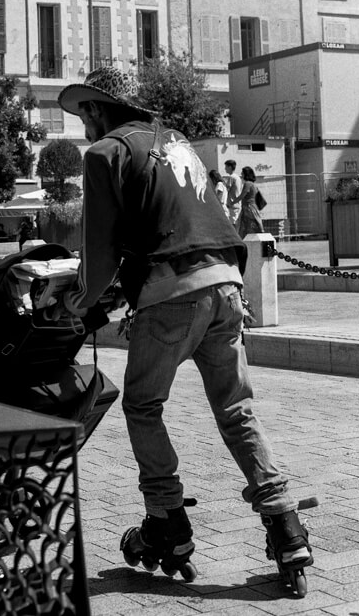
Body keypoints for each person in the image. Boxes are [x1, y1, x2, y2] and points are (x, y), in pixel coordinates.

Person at [57, 66, 313, 579]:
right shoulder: (175, 141)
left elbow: (99, 249)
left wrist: (78, 300)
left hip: (172, 291)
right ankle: (286, 528)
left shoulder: (105, 153)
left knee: (143, 405)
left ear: (96, 109)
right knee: (236, 408)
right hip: (226, 285)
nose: (81, 122)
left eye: (83, 110)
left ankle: (166, 521)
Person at [233, 166, 265, 239]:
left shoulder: (247, 184)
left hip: (248, 208)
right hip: (253, 207)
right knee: (253, 224)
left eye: (242, 173)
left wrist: (232, 203)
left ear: (246, 174)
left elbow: (242, 196)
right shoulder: (253, 184)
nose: (241, 175)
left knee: (245, 226)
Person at [224, 159, 242, 226]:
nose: (225, 168)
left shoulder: (231, 177)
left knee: (232, 223)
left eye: (226, 167)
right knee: (235, 222)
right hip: (237, 203)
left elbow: (227, 189)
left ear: (230, 167)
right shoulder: (237, 177)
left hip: (232, 204)